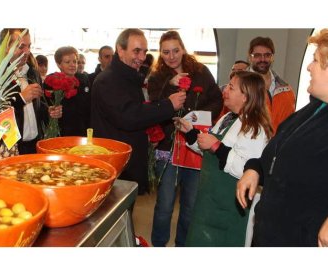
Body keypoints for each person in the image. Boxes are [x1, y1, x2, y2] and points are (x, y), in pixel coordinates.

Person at [236, 29, 328, 247]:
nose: (309, 67)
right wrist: (254, 169)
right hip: (271, 231)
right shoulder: (308, 111)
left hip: (300, 237)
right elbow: (274, 154)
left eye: (315, 61)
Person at [174, 71, 272, 246]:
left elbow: (247, 169)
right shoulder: (228, 118)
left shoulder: (254, 127)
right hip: (209, 203)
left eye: (232, 87)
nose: (225, 89)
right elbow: (210, 150)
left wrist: (216, 146)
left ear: (245, 96)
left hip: (229, 209)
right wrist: (190, 133)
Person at [148, 30, 223, 247]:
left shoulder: (200, 71)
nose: (171, 56)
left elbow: (216, 100)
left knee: (190, 205)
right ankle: (159, 245)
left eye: (175, 50)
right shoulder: (157, 77)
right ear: (160, 54)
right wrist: (170, 84)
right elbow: (152, 107)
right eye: (166, 52)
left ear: (183, 48)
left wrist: (196, 117)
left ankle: (183, 246)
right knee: (164, 204)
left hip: (194, 145)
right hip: (168, 146)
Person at [90, 28, 187, 196]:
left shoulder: (127, 76)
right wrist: (167, 105)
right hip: (116, 163)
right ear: (120, 50)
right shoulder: (109, 80)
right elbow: (128, 116)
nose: (142, 57)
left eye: (144, 52)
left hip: (126, 160)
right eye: (136, 51)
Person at [0, 28, 56, 154]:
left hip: (34, 145)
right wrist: (21, 99)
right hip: (10, 149)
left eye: (29, 46)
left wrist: (48, 111)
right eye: (21, 47)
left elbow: (38, 105)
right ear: (6, 48)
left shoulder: (33, 73)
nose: (27, 51)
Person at [247, 36, 296, 132]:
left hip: (278, 144)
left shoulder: (286, 89)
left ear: (272, 57)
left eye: (267, 55)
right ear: (250, 57)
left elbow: (290, 122)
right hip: (248, 144)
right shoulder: (239, 86)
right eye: (257, 55)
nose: (262, 59)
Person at [52, 46, 90, 136]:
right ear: (58, 64)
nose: (72, 65)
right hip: (61, 132)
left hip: (82, 131)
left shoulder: (84, 79)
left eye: (75, 61)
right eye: (67, 62)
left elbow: (89, 106)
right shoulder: (52, 81)